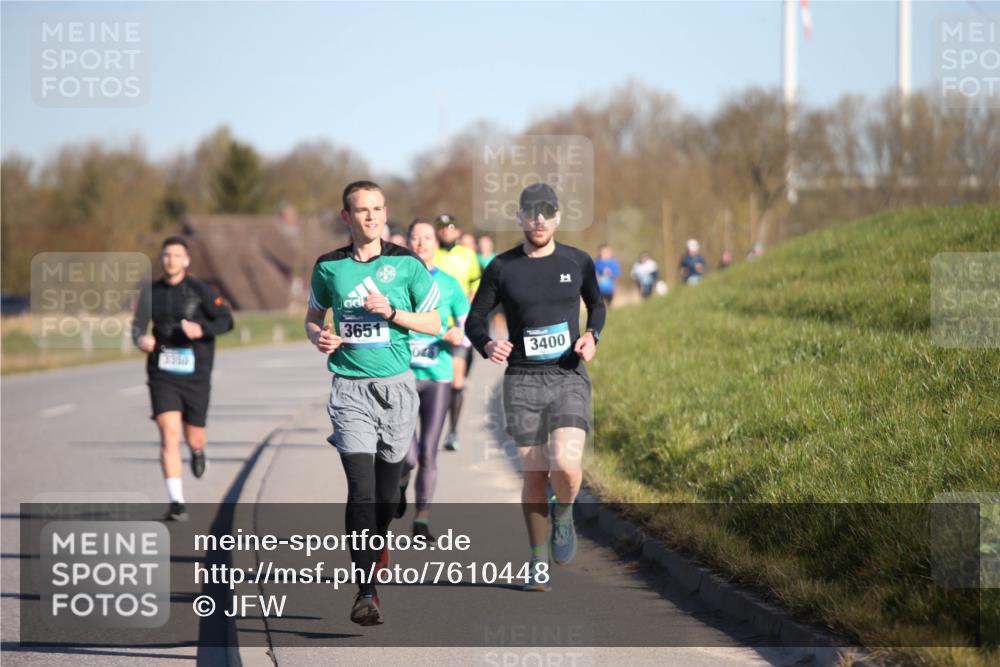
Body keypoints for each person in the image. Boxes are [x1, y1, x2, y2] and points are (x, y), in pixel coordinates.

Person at [305, 180, 441, 626]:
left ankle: (377, 539)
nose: (372, 217)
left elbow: (435, 322)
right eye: (363, 210)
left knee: (384, 498)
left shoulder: (406, 263)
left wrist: (393, 314)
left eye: (379, 209)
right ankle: (366, 590)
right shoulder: (328, 268)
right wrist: (319, 337)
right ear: (347, 217)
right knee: (360, 491)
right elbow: (312, 318)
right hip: (349, 390)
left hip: (398, 390)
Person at [466, 183, 606, 592]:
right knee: (533, 474)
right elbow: (475, 319)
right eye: (532, 212)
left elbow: (596, 303)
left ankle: (564, 511)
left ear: (558, 217)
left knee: (565, 464)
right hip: (522, 379)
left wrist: (592, 335)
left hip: (567, 375)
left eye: (547, 212)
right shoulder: (502, 267)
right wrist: (488, 343)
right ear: (520, 218)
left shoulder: (577, 261)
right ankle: (537, 561)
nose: (539, 219)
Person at [132, 236, 234, 522]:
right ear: (161, 259)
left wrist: (201, 330)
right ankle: (177, 502)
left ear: (186, 260)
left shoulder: (201, 291)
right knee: (168, 433)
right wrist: (142, 339)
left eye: (177, 255)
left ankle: (198, 451)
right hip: (161, 372)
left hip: (196, 373)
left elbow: (226, 321)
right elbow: (137, 327)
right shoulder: (151, 292)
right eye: (166, 255)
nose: (171, 260)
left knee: (194, 435)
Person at [396, 218, 471, 541]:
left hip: (436, 376)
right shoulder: (395, 281)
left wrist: (459, 334)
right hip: (401, 377)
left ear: (436, 243)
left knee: (428, 451)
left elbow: (468, 327)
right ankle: (401, 481)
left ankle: (422, 518)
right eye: (415, 237)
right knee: (407, 454)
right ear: (408, 243)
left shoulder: (451, 285)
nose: (422, 242)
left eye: (427, 237)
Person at [433, 214, 482, 452]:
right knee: (432, 380)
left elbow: (476, 282)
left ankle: (452, 431)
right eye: (440, 228)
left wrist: (469, 305)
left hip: (460, 326)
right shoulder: (431, 254)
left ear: (457, 230)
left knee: (457, 379)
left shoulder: (467, 255)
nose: (445, 231)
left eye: (449, 227)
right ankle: (431, 426)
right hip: (432, 327)